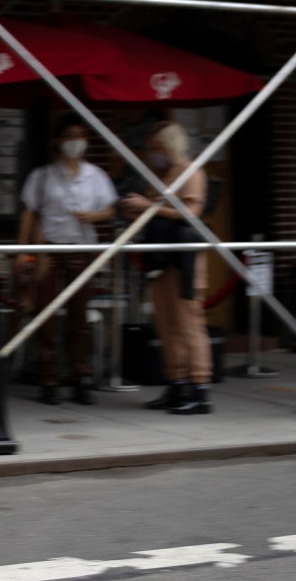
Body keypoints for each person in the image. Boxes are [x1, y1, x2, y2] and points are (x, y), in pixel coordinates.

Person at [16, 115, 119, 405]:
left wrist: (94, 216)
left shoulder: (95, 175)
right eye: (70, 135)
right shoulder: (43, 175)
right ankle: (48, 378)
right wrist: (22, 251)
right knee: (45, 313)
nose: (76, 141)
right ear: (58, 141)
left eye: (80, 136)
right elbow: (28, 213)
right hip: (49, 249)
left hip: (81, 248)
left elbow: (111, 210)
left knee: (79, 317)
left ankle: (79, 377)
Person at [119, 121, 213, 415]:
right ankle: (176, 383)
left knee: (189, 325)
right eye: (150, 149)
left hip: (184, 261)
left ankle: (199, 389)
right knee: (166, 327)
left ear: (170, 146)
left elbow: (191, 213)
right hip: (161, 260)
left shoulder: (192, 173)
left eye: (157, 148)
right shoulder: (160, 175)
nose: (152, 154)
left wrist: (148, 205)